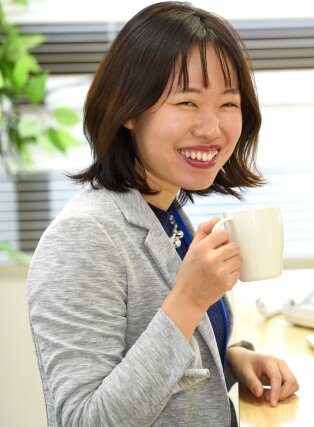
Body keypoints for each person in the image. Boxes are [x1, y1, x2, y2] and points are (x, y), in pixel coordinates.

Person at [26, 2, 299, 426]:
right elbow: (83, 420)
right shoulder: (83, 237)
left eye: (228, 103)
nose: (211, 128)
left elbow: (155, 363)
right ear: (130, 110)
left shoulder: (164, 210)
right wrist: (188, 300)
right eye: (187, 103)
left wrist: (234, 359)